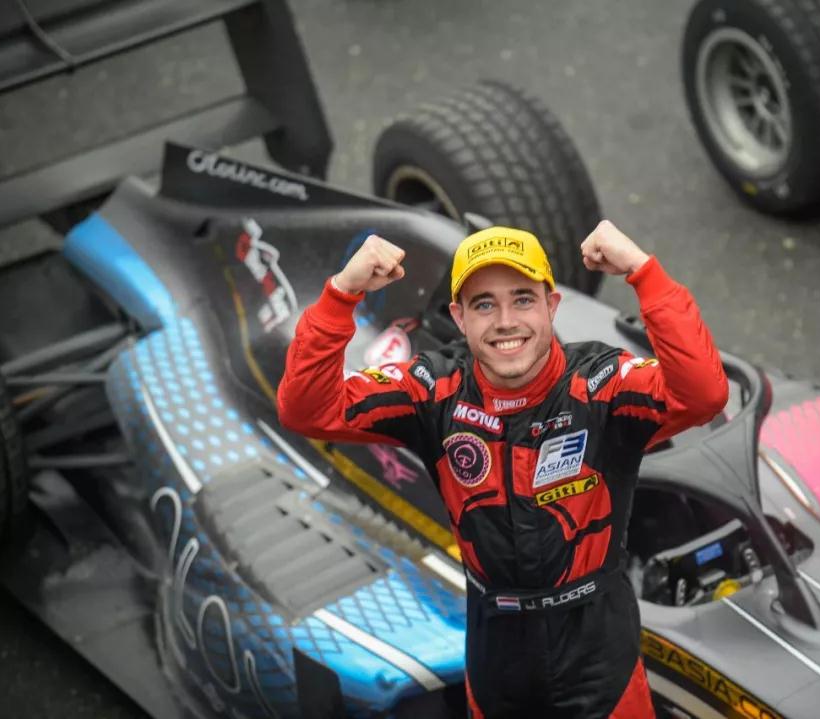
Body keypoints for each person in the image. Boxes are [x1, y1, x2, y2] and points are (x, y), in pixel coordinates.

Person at [277, 221, 728, 718]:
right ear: (460, 317)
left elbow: (704, 394)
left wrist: (644, 272)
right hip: (496, 651)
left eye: (523, 299)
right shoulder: (433, 388)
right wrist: (342, 293)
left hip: (599, 650)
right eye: (484, 305)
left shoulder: (600, 382)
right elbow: (307, 410)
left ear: (552, 306)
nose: (506, 321)